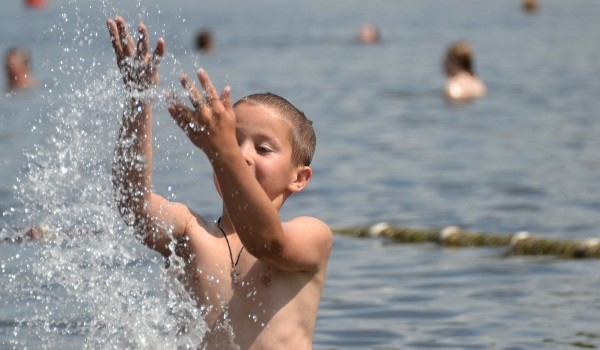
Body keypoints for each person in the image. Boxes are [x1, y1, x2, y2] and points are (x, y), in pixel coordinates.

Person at [106, 16, 332, 349]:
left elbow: (266, 242)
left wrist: (221, 151)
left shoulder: (312, 237)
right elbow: (133, 205)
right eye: (233, 140)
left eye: (263, 148)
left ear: (299, 178)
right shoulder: (191, 233)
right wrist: (138, 100)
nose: (242, 155)